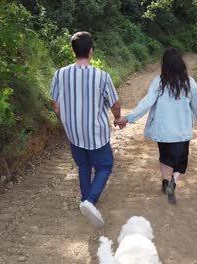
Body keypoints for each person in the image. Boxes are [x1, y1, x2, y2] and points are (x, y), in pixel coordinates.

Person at [50, 31, 123, 227]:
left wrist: (66, 120)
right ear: (91, 51)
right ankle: (90, 201)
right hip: (96, 133)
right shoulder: (102, 76)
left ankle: (86, 200)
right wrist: (117, 118)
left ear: (74, 51)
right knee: (105, 165)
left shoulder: (60, 73)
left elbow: (56, 106)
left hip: (73, 133)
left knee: (83, 165)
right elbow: (114, 103)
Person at [116, 47, 197, 204]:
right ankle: (173, 182)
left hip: (163, 131)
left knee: (164, 156)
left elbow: (146, 103)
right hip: (182, 132)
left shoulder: (159, 82)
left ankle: (165, 181)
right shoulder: (189, 83)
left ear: (164, 65)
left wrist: (129, 118)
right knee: (180, 160)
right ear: (181, 64)